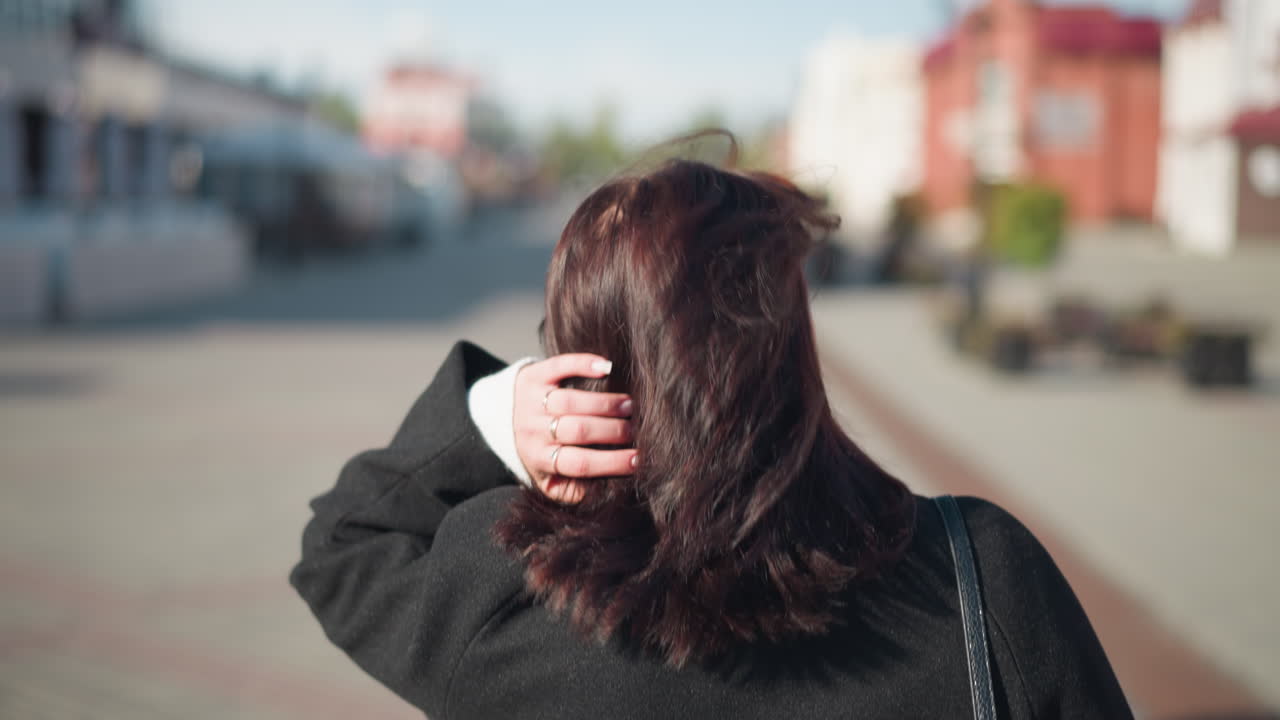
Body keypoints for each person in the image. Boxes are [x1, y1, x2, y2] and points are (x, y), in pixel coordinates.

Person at [290, 150, 1132, 719]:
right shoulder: (981, 575)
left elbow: (342, 541)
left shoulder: (505, 599)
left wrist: (493, 415)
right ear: (788, 342)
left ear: (585, 369)